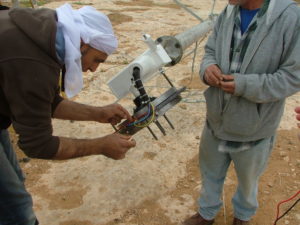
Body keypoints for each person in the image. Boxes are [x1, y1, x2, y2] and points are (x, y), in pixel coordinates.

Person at [0, 3, 136, 225]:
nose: (94, 69)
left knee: (15, 181)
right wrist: (100, 146)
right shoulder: (33, 63)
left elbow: (46, 101)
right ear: (82, 43)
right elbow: (38, 144)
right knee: (15, 207)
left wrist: (98, 113)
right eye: (97, 60)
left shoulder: (44, 34)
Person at [183, 0, 300, 225]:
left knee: (248, 181)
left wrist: (245, 85)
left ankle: (243, 216)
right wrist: (207, 69)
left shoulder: (291, 18)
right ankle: (207, 213)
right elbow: (209, 52)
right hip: (216, 120)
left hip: (254, 128)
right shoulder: (228, 12)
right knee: (210, 174)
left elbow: (292, 77)